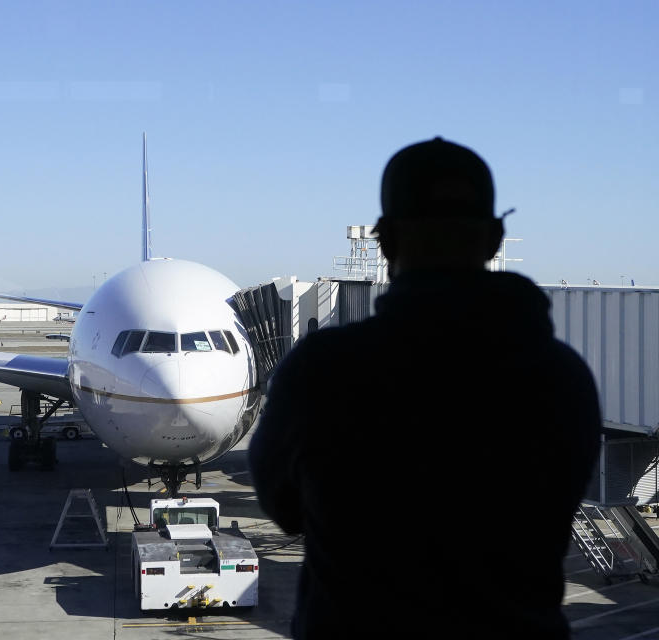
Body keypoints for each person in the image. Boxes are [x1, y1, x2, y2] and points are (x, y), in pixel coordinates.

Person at [249, 137, 601, 639]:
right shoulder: (563, 377)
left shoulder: (323, 371)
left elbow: (283, 509)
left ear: (386, 241)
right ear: (496, 239)